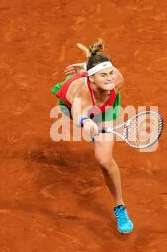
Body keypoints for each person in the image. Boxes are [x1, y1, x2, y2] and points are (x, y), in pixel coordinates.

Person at [50, 39, 133, 234]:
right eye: (103, 75)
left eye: (110, 73)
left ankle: (119, 206)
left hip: (103, 107)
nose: (109, 78)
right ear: (92, 79)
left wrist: (88, 66)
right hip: (73, 108)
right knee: (87, 120)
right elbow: (79, 113)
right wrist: (86, 122)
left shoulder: (117, 81)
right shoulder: (82, 93)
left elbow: (110, 74)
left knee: (104, 161)